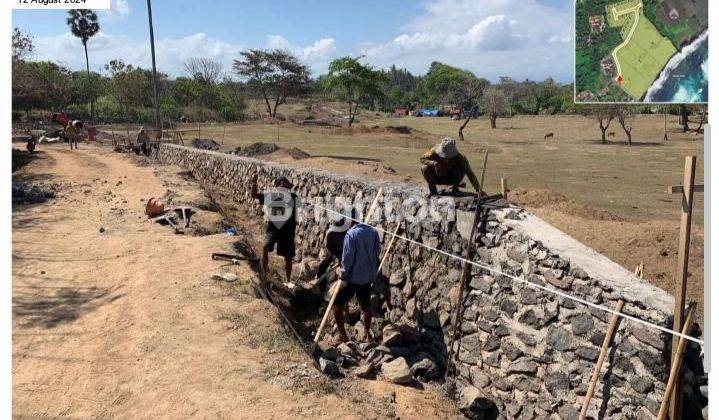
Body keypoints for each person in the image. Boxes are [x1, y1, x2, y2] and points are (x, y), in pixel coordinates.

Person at [333, 215, 381, 343]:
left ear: (351, 220)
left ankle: (343, 336)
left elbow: (347, 258)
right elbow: (377, 252)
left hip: (352, 278)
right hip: (367, 277)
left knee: (337, 305)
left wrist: (342, 274)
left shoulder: (351, 234)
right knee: (366, 306)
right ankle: (366, 333)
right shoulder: (373, 231)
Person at [251, 174, 298, 283]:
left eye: (285, 183)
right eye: (281, 183)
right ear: (277, 186)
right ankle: (264, 273)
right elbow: (254, 195)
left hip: (287, 232)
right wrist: (254, 182)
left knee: (289, 257)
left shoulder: (293, 197)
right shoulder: (271, 196)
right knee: (265, 247)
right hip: (274, 229)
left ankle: (288, 280)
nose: (283, 185)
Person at [316, 210, 353, 290]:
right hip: (332, 250)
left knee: (345, 271)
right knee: (323, 265)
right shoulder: (331, 232)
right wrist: (337, 256)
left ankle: (342, 291)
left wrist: (342, 258)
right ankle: (320, 287)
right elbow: (328, 246)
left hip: (342, 251)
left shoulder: (347, 230)